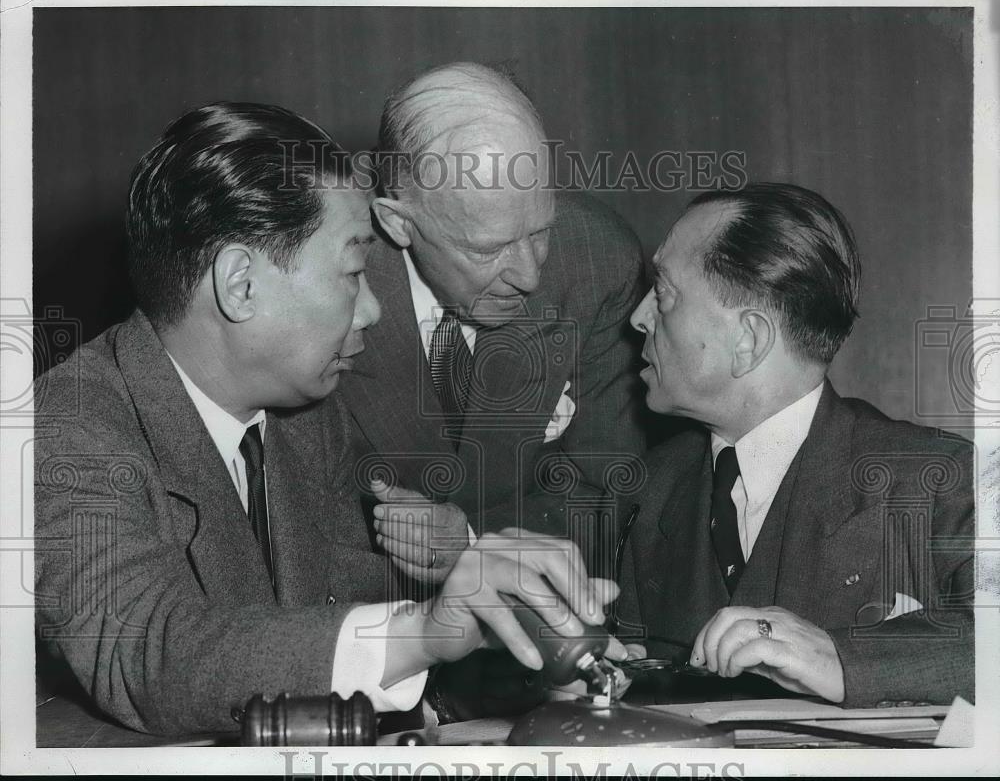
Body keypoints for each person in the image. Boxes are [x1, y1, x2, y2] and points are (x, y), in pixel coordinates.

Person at [33, 101, 623, 736]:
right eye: (352, 272)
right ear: (239, 285)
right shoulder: (63, 431)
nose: (371, 310)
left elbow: (355, 601)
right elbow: (150, 655)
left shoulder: (306, 418)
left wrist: (482, 574)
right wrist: (425, 630)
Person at [615, 182, 974, 706]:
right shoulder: (650, 488)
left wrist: (839, 659)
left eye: (663, 293)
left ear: (749, 340)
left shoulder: (939, 479)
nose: (639, 317)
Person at [338, 62, 648, 586]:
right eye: (490, 249)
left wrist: (474, 542)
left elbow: (608, 488)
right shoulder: (326, 283)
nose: (529, 275)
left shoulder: (598, 260)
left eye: (540, 231)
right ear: (397, 222)